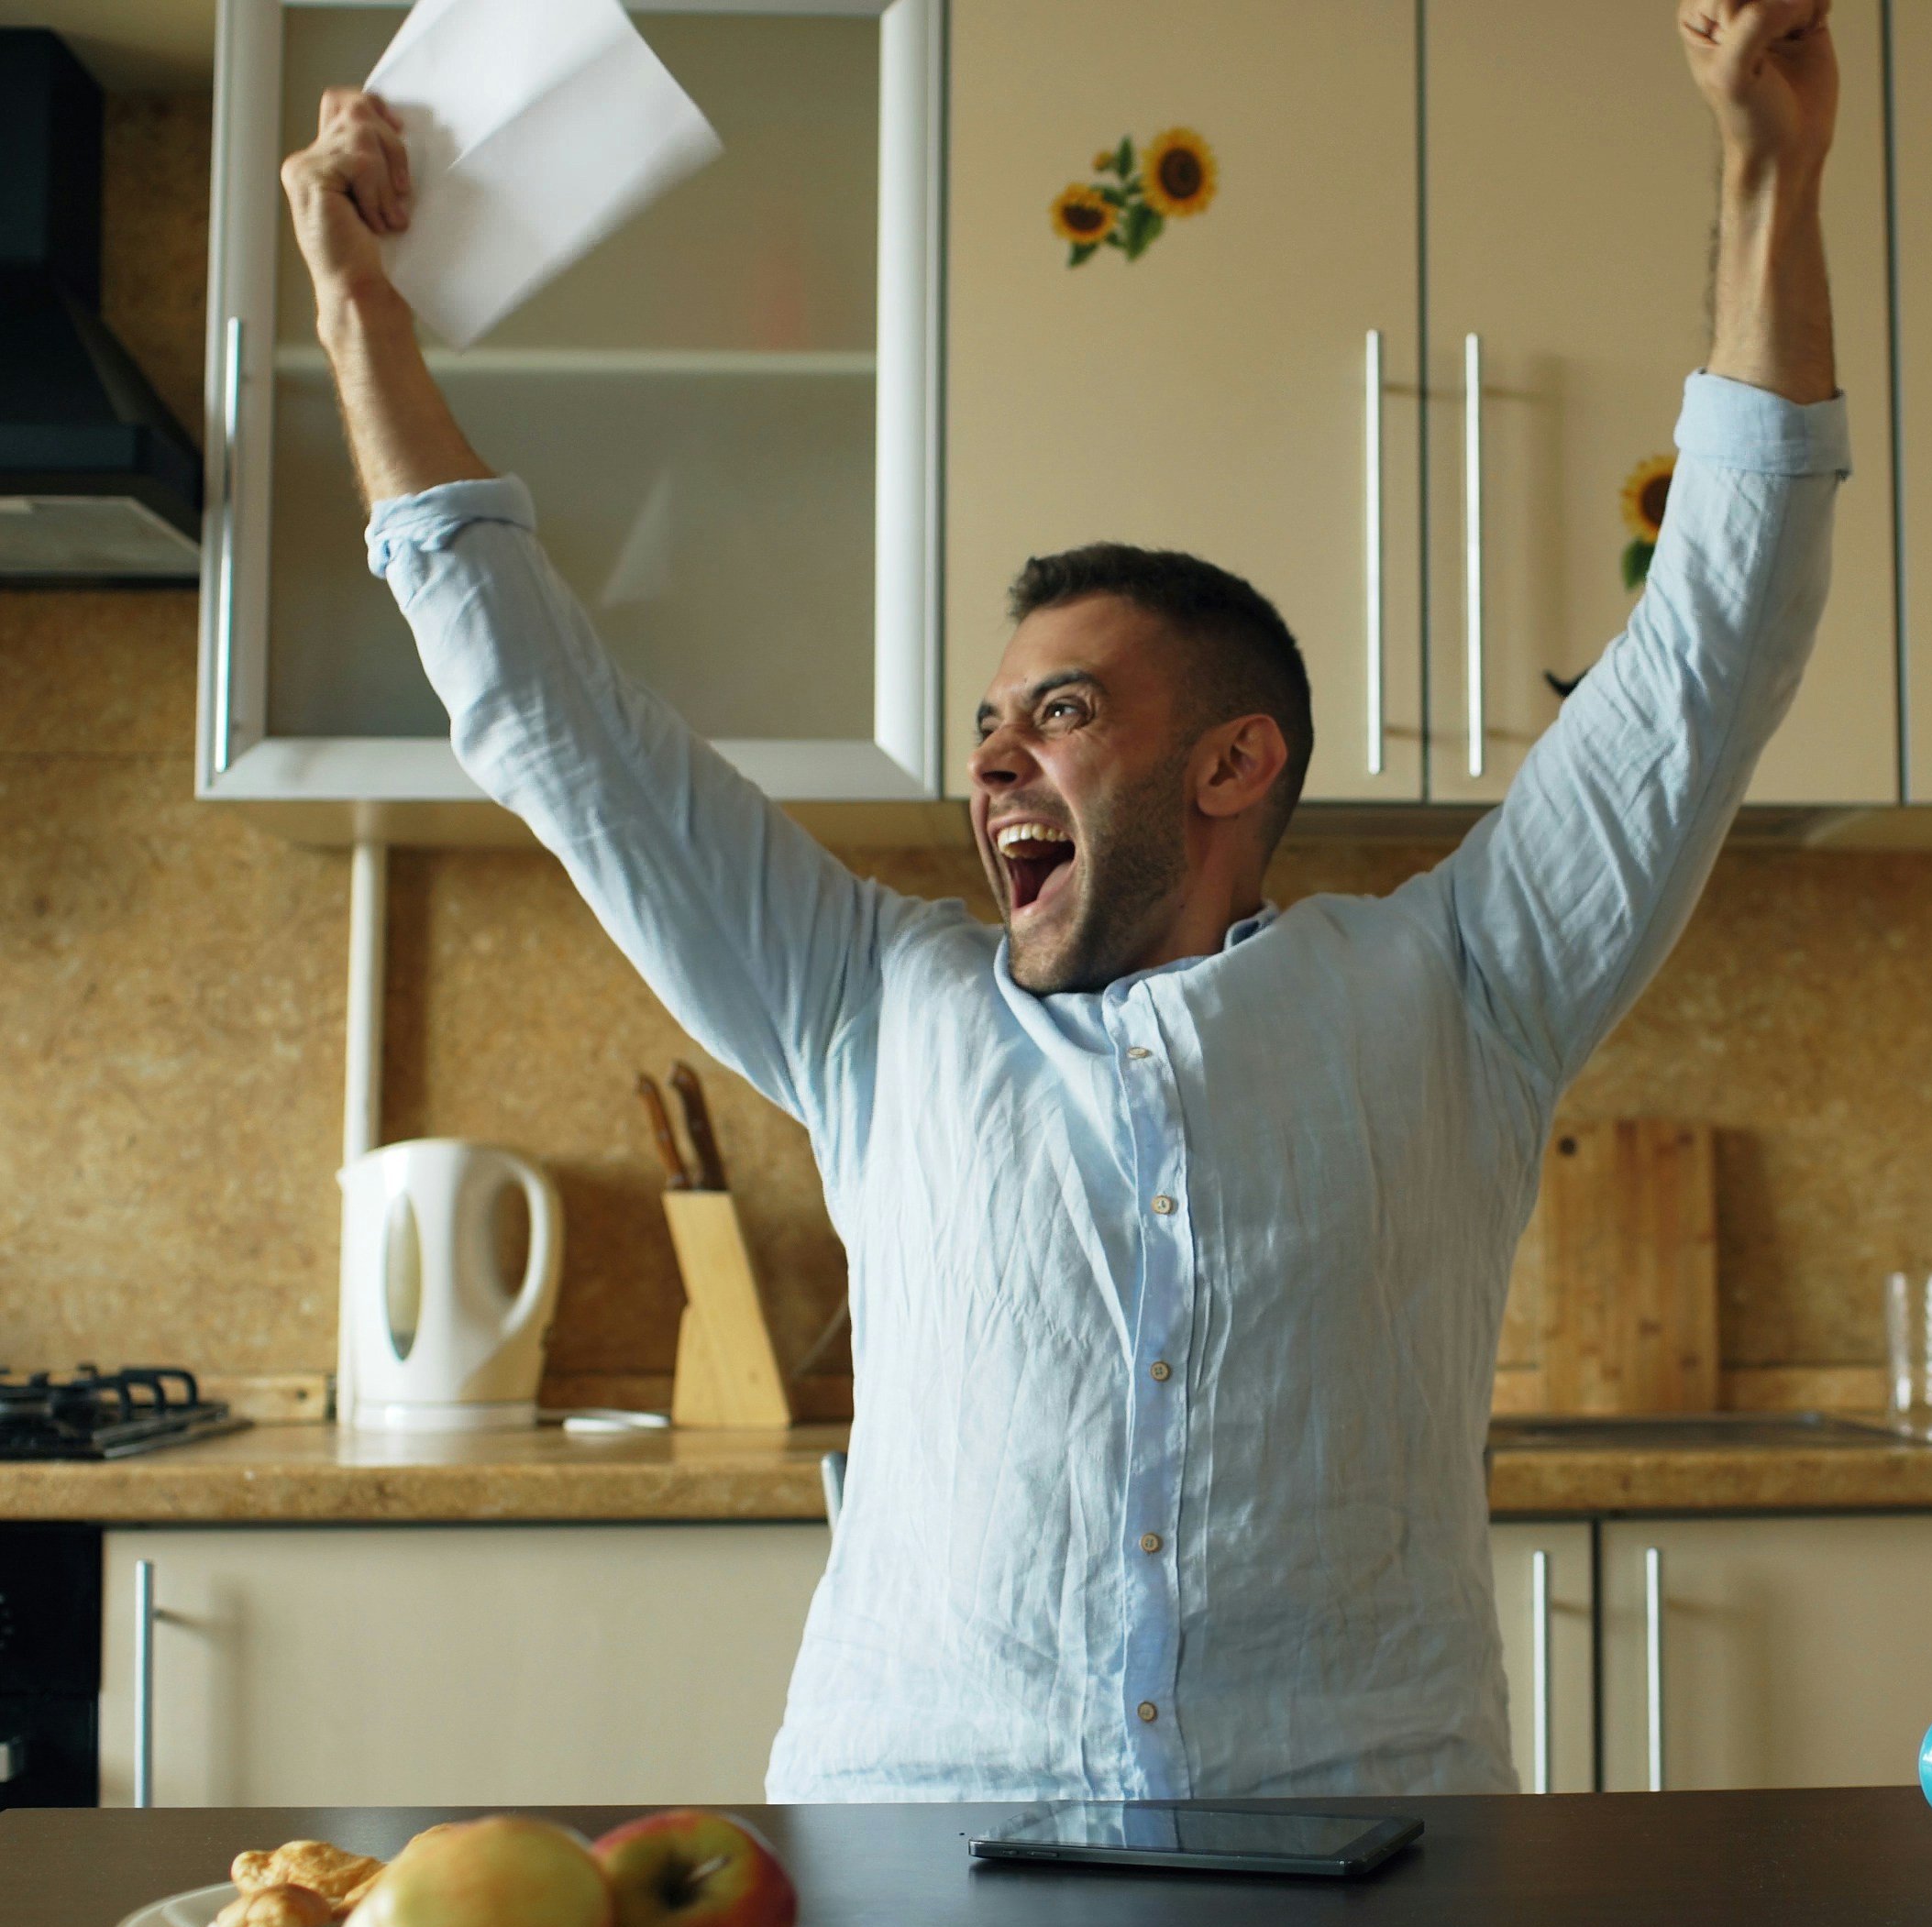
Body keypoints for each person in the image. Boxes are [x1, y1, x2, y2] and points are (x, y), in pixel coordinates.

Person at [278, 0, 1849, 1800]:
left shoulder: (1454, 992)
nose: (995, 762)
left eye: (1067, 714)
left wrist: (1767, 171)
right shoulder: (870, 1006)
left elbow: (1712, 643)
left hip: (1361, 1858)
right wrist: (358, 315)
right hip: (917, 1861)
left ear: (1236, 764)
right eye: (988, 725)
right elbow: (550, 724)